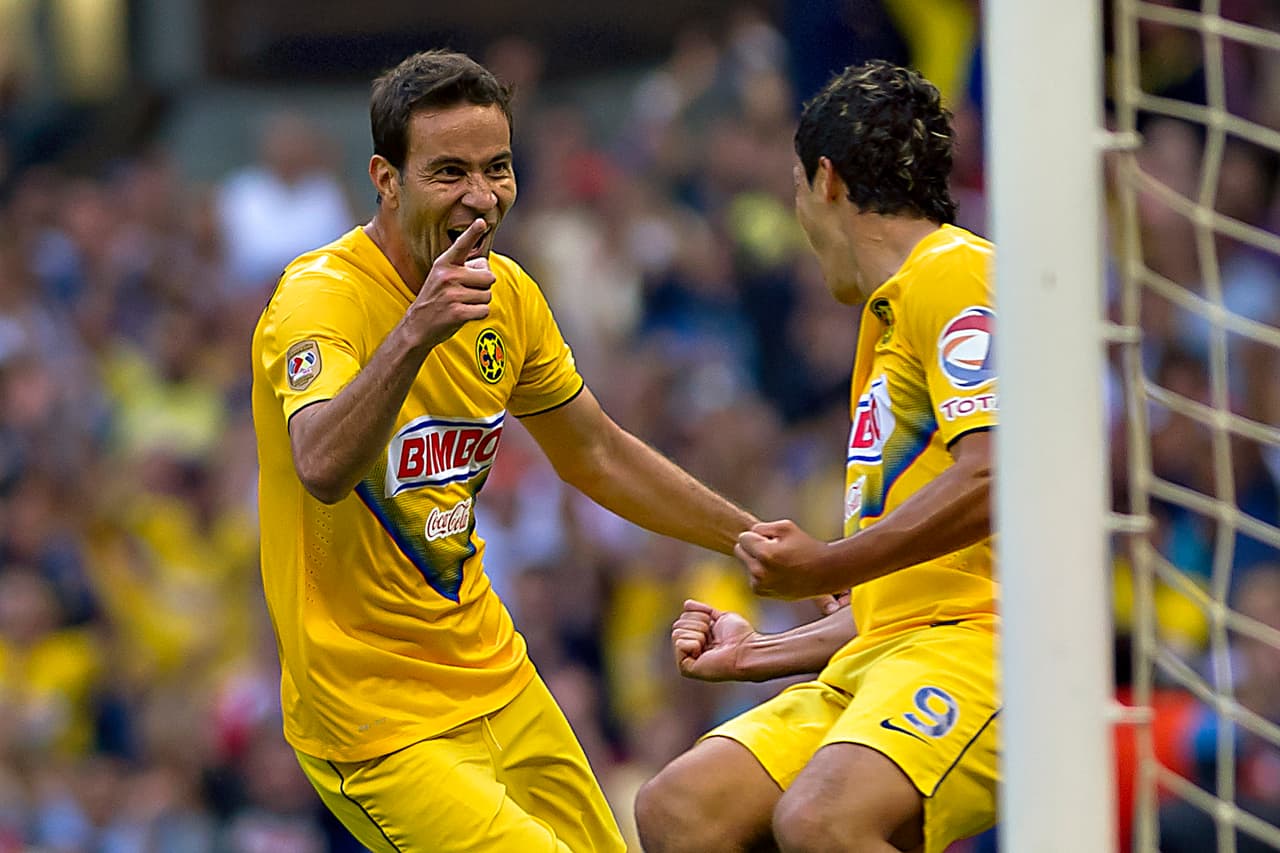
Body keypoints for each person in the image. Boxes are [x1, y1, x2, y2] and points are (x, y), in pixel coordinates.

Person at [249, 49, 756, 853]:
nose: (481, 197)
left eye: (498, 168)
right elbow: (320, 464)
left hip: (497, 676)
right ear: (387, 179)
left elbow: (598, 452)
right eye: (448, 171)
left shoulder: (509, 295)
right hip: (373, 720)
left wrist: (751, 540)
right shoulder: (321, 296)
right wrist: (415, 331)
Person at [635, 60, 1000, 853]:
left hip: (983, 648)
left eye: (795, 191)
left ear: (825, 181)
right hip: (884, 653)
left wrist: (829, 565)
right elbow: (900, 597)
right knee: (679, 805)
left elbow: (996, 475)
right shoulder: (889, 317)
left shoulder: (954, 272)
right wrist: (757, 654)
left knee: (823, 821)